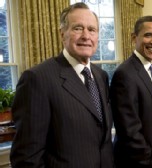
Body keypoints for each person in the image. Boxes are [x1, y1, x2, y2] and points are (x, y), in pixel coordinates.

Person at [10, 3, 114, 168]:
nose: (86, 36)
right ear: (62, 33)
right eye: (78, 28)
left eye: (92, 30)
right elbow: (27, 158)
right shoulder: (37, 79)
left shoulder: (101, 76)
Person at [110, 16, 152, 168]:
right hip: (137, 162)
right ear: (134, 38)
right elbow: (129, 132)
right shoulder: (124, 74)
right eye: (148, 35)